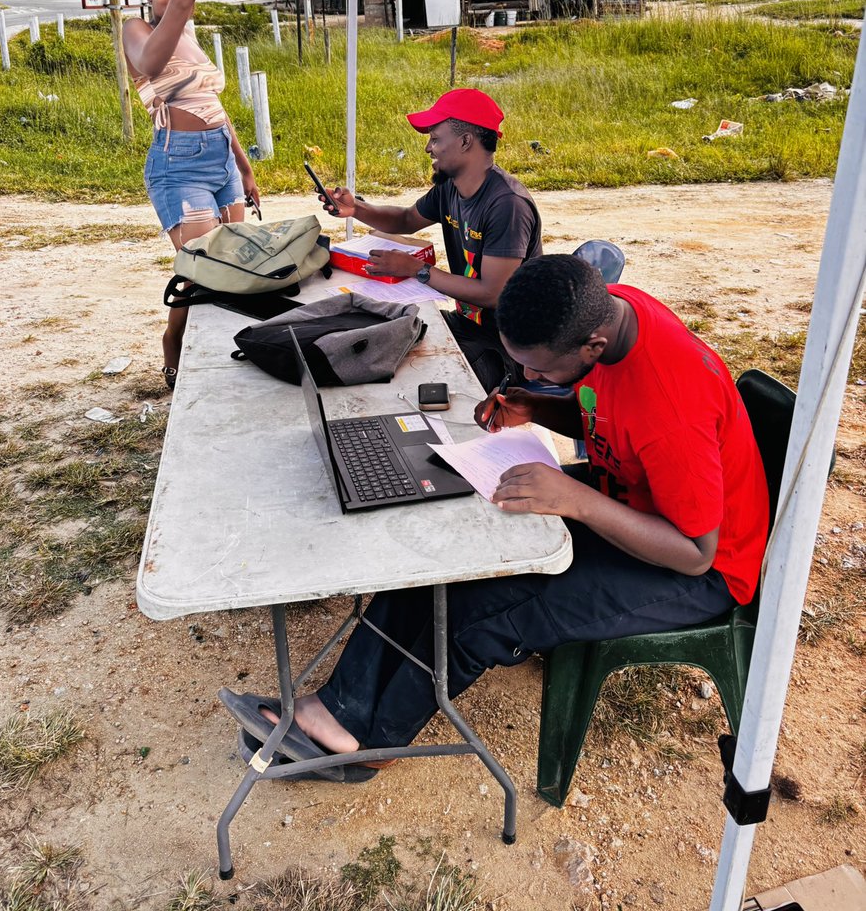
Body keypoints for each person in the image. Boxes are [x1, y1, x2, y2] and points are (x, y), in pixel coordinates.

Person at [221, 254, 769, 775]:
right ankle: (340, 703)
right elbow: (610, 418)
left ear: (592, 345)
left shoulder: (672, 403)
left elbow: (695, 554)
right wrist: (541, 406)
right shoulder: (605, 309)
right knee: (446, 545)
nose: (526, 373)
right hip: (627, 496)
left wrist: (576, 500)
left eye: (538, 368)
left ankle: (369, 740)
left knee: (481, 612)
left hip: (694, 567)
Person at [322, 88, 542, 392]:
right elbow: (405, 220)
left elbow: (492, 294)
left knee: (414, 379)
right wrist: (356, 209)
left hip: (509, 350)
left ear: (466, 142)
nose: (428, 148)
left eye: (436, 139)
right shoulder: (450, 188)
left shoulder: (507, 204)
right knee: (379, 345)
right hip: (467, 327)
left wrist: (416, 270)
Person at [123, 0, 260, 388]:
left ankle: (224, 359)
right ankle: (174, 345)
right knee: (203, 270)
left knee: (232, 267)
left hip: (220, 160)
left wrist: (243, 167)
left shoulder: (189, 33)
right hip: (178, 166)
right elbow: (149, 63)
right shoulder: (136, 30)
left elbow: (212, 104)